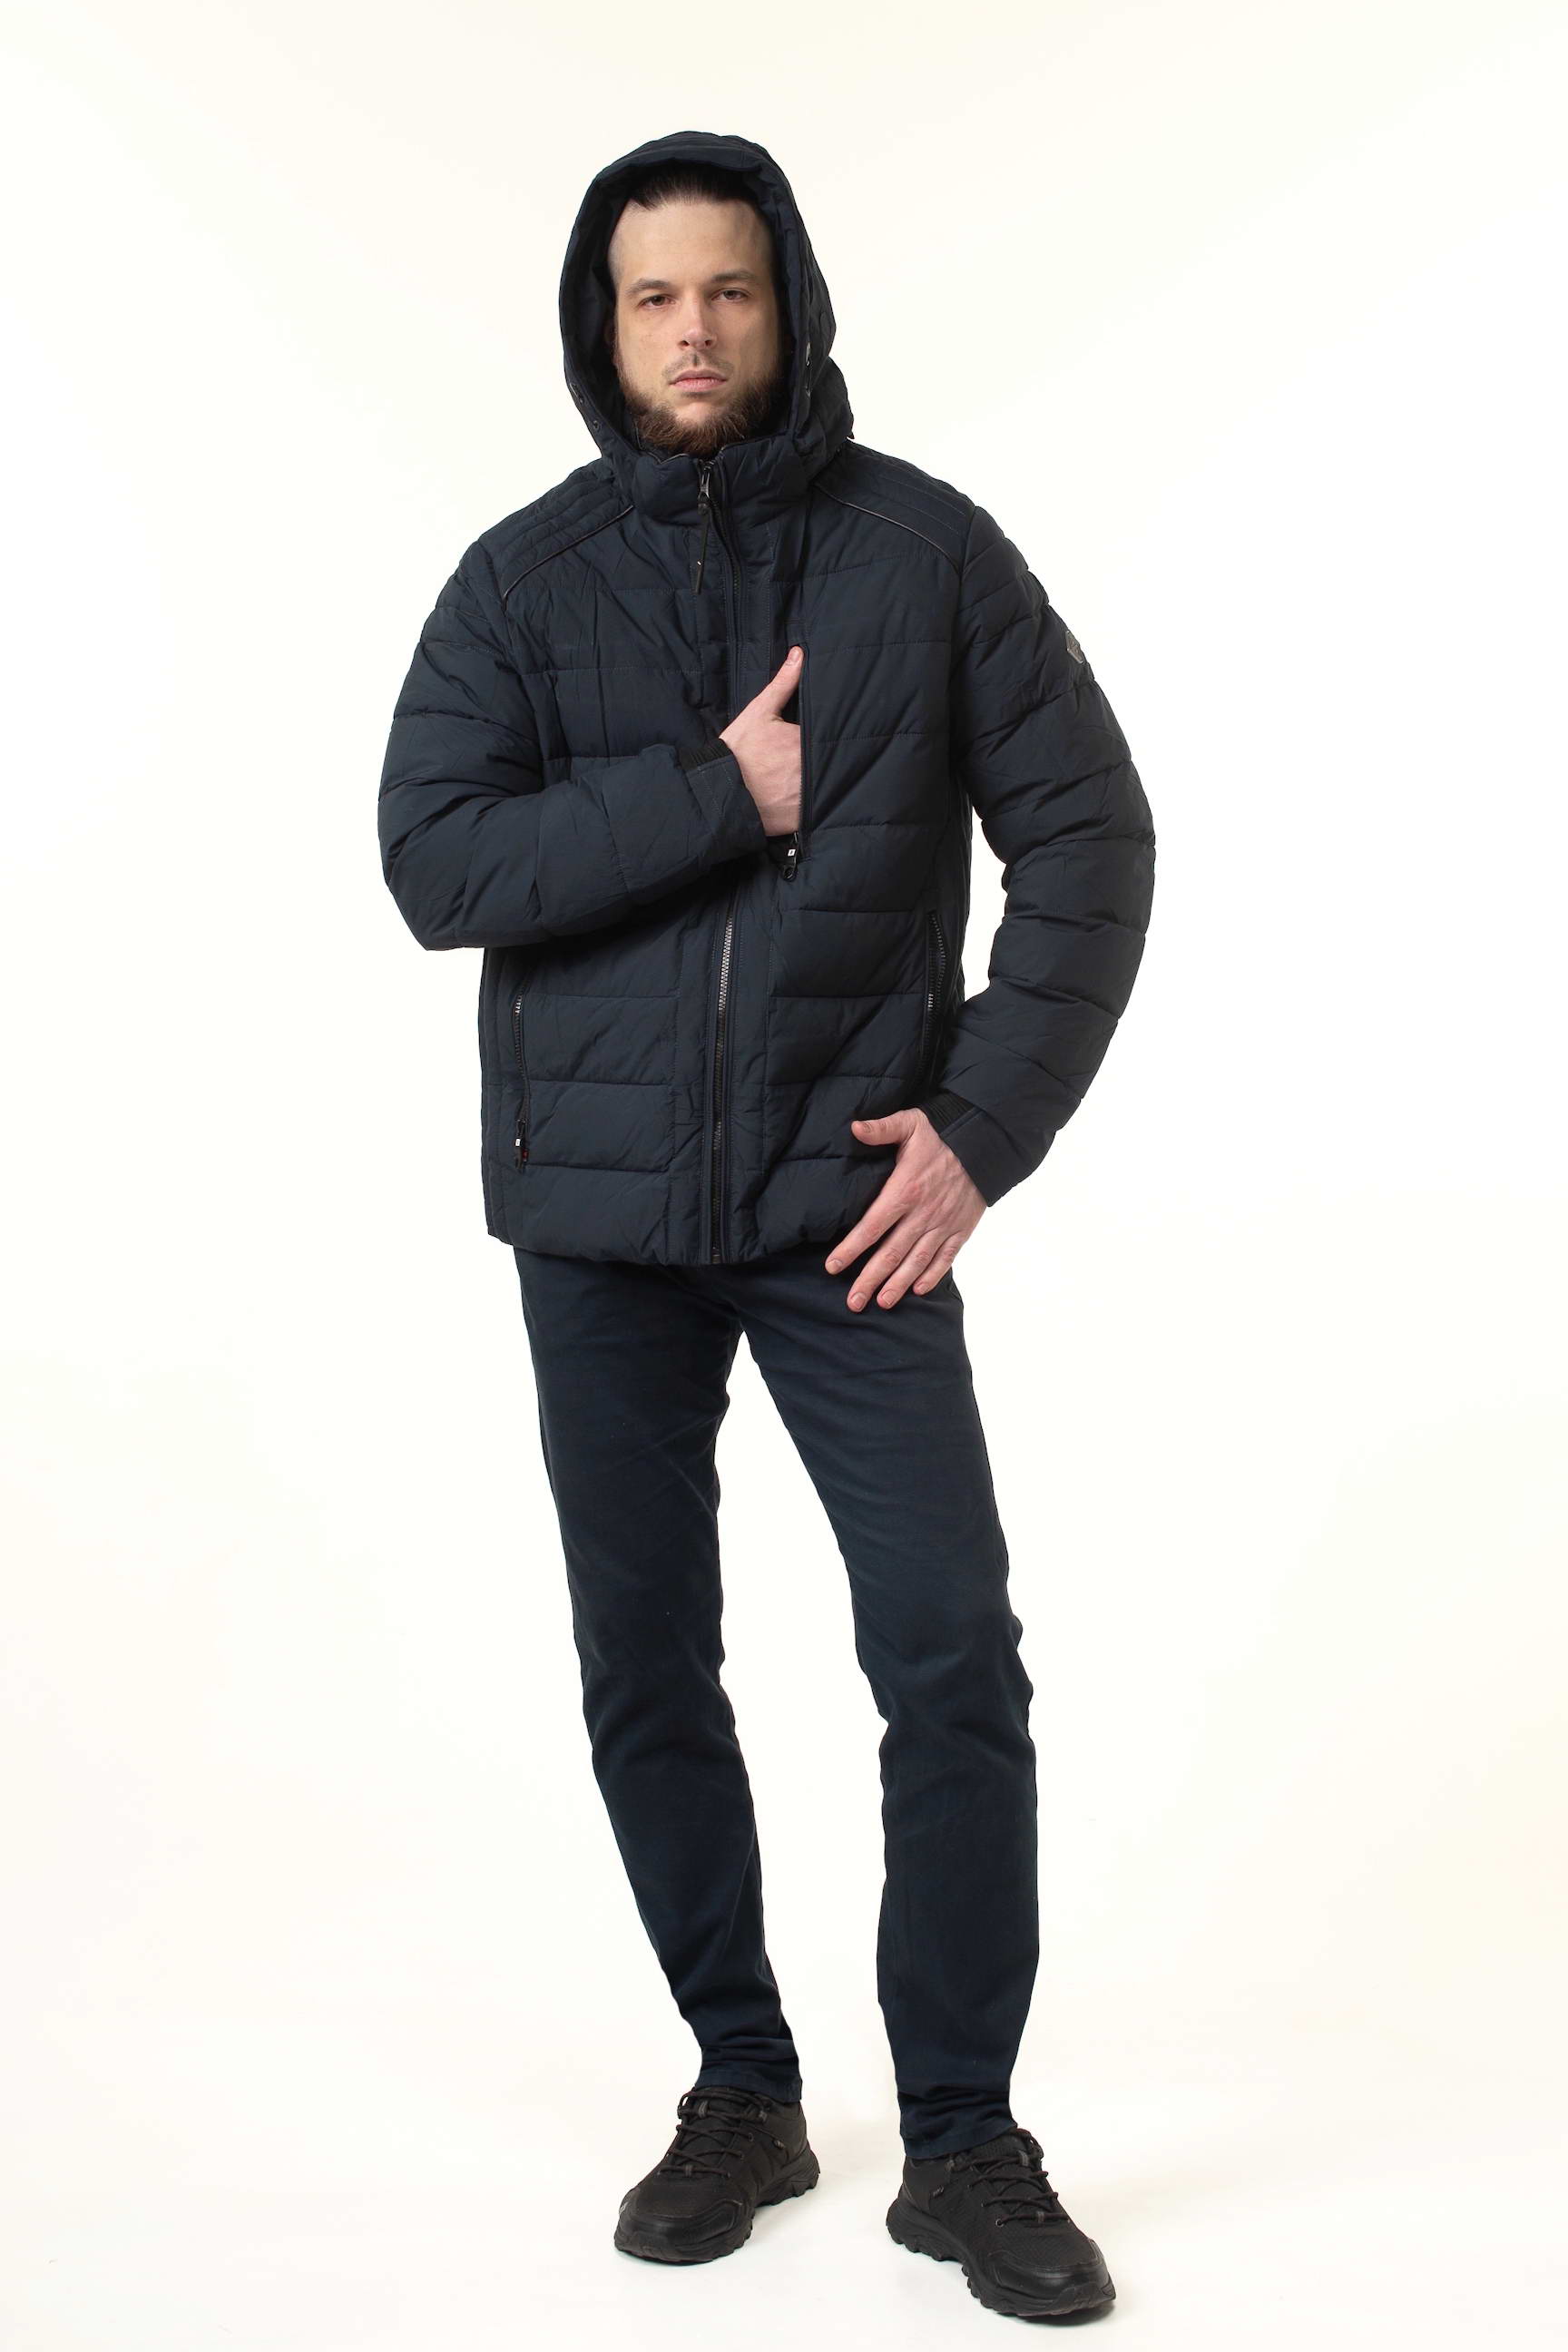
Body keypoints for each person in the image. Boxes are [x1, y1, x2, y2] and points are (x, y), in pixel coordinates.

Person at [377, 127, 1154, 2325]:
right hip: (600, 1223)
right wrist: (722, 793)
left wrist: (978, 1131)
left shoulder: (927, 555)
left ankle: (964, 2137)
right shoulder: (522, 583)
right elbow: (437, 861)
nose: (696, 330)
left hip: (848, 1206)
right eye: (655, 296)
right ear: (603, 325)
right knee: (648, 1663)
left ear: (787, 303)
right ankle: (741, 2084)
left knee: (949, 1652)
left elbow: (1092, 847)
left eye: (729, 288)